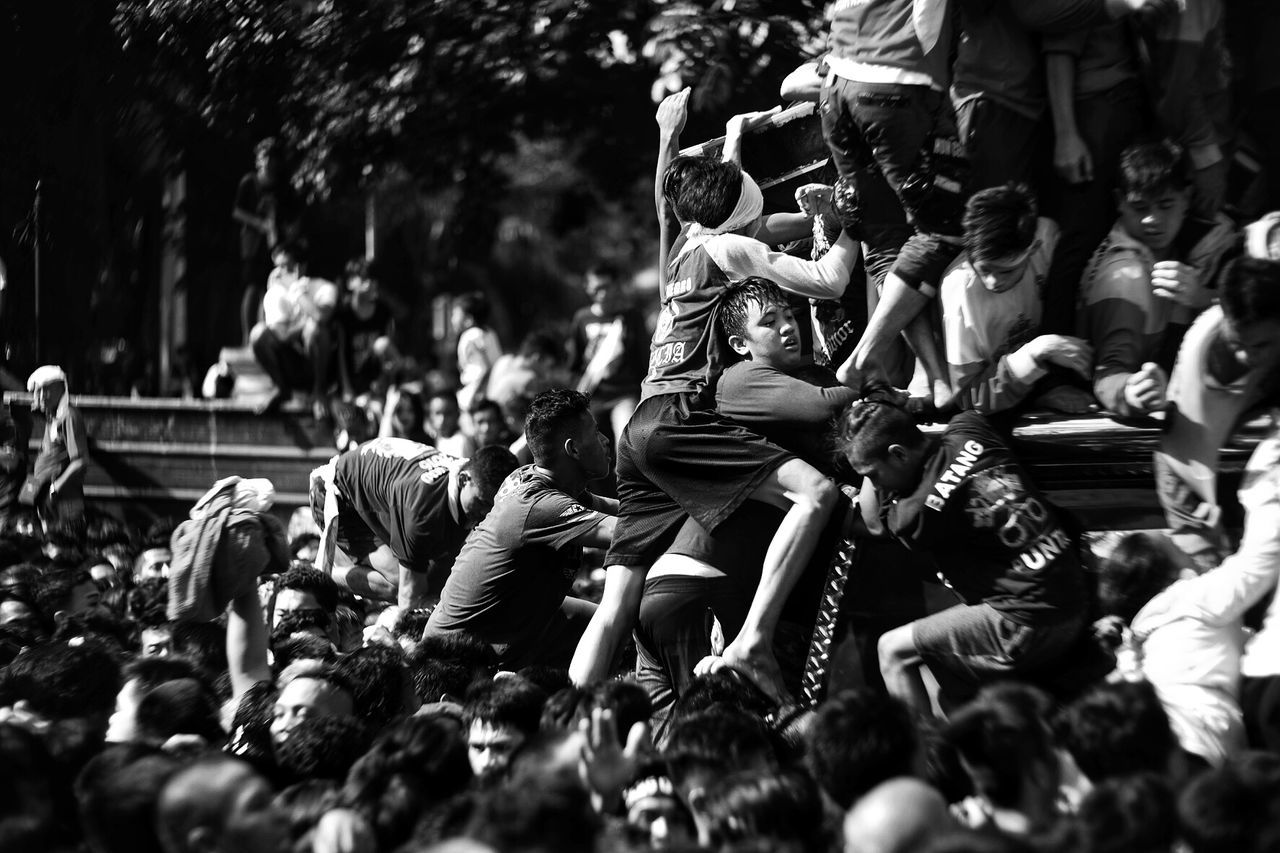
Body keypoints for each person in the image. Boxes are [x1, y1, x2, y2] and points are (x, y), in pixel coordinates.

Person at [571, 151, 853, 704]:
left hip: (638, 427)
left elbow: (743, 222)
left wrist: (672, 140)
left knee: (615, 603)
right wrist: (854, 224)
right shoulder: (733, 249)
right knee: (815, 495)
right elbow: (828, 280)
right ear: (741, 214)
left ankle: (566, 715)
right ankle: (755, 639)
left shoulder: (684, 251)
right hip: (681, 417)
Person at [834, 391, 1089, 713]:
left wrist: (863, 462)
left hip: (1030, 624)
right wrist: (906, 409)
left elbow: (873, 522)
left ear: (898, 455)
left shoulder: (914, 515)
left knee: (892, 651)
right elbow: (968, 398)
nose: (875, 483)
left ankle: (924, 759)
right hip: (1073, 591)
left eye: (872, 473)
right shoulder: (970, 429)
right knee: (950, 690)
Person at [1098, 424, 1280, 765]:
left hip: (1194, 752)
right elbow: (1259, 561)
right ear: (1168, 572)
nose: (1177, 537)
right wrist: (1266, 477)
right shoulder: (1187, 600)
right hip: (1197, 751)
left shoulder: (1150, 631)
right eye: (1173, 543)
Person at [425, 390, 616, 669]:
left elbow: (621, 511)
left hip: (501, 630)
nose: (605, 440)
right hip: (453, 661)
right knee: (613, 627)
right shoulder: (539, 507)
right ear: (573, 449)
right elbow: (625, 532)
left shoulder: (537, 479)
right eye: (596, 432)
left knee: (604, 627)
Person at [1079, 140, 1235, 416]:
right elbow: (1109, 372)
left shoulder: (1204, 243)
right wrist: (1129, 392)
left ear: (1186, 198)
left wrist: (1203, 297)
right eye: (1140, 207)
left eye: (1165, 204)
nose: (1153, 219)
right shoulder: (1124, 277)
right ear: (1119, 203)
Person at [1154, 255, 1280, 565]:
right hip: (1208, 488)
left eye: (1260, 346)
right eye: (1238, 342)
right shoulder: (1202, 357)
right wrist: (1206, 559)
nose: (1247, 355)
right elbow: (1176, 466)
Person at [939, 183, 1095, 414]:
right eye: (984, 269)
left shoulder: (1048, 239)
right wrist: (1036, 351)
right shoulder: (959, 292)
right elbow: (967, 396)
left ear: (1033, 249)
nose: (992, 282)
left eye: (1006, 271)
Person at [312, 437, 518, 608]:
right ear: (464, 480)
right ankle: (320, 575)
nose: (486, 512)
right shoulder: (423, 510)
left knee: (434, 581)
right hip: (341, 494)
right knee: (398, 585)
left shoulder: (471, 479)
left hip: (382, 488)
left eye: (493, 506)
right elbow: (408, 600)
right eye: (482, 502)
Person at [249, 243, 340, 418]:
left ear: (301, 267)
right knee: (258, 334)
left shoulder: (323, 288)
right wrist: (305, 321)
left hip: (322, 367)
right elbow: (281, 336)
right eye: (277, 267)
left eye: (286, 267)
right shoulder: (276, 294)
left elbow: (321, 318)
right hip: (292, 365)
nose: (279, 273)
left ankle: (319, 391)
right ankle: (282, 389)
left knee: (314, 330)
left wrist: (298, 292)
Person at [570, 264, 648, 448]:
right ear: (588, 289)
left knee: (627, 445)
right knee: (588, 448)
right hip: (592, 395)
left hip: (624, 394)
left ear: (616, 286)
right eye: (597, 288)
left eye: (606, 287)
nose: (603, 294)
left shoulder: (632, 317)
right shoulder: (581, 318)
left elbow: (643, 358)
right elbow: (575, 362)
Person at [232, 138, 301, 346]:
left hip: (276, 244)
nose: (268, 162)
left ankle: (269, 334)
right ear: (258, 160)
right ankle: (247, 336)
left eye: (272, 157)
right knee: (252, 287)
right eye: (264, 157)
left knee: (272, 286)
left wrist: (287, 232)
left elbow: (292, 215)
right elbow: (237, 211)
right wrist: (259, 223)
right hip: (252, 244)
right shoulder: (249, 182)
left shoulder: (283, 187)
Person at [25, 365, 88, 531]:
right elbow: (46, 459)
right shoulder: (53, 417)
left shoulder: (69, 415)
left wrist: (54, 490)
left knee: (65, 548)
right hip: (47, 498)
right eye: (36, 392)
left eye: (43, 391)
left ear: (59, 389)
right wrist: (28, 496)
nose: (38, 397)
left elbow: (80, 462)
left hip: (63, 501)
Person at [454, 292, 502, 414]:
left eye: (455, 314)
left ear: (468, 320)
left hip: (476, 395)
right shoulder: (490, 333)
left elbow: (482, 369)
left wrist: (470, 400)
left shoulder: (469, 336)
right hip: (495, 390)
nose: (452, 319)